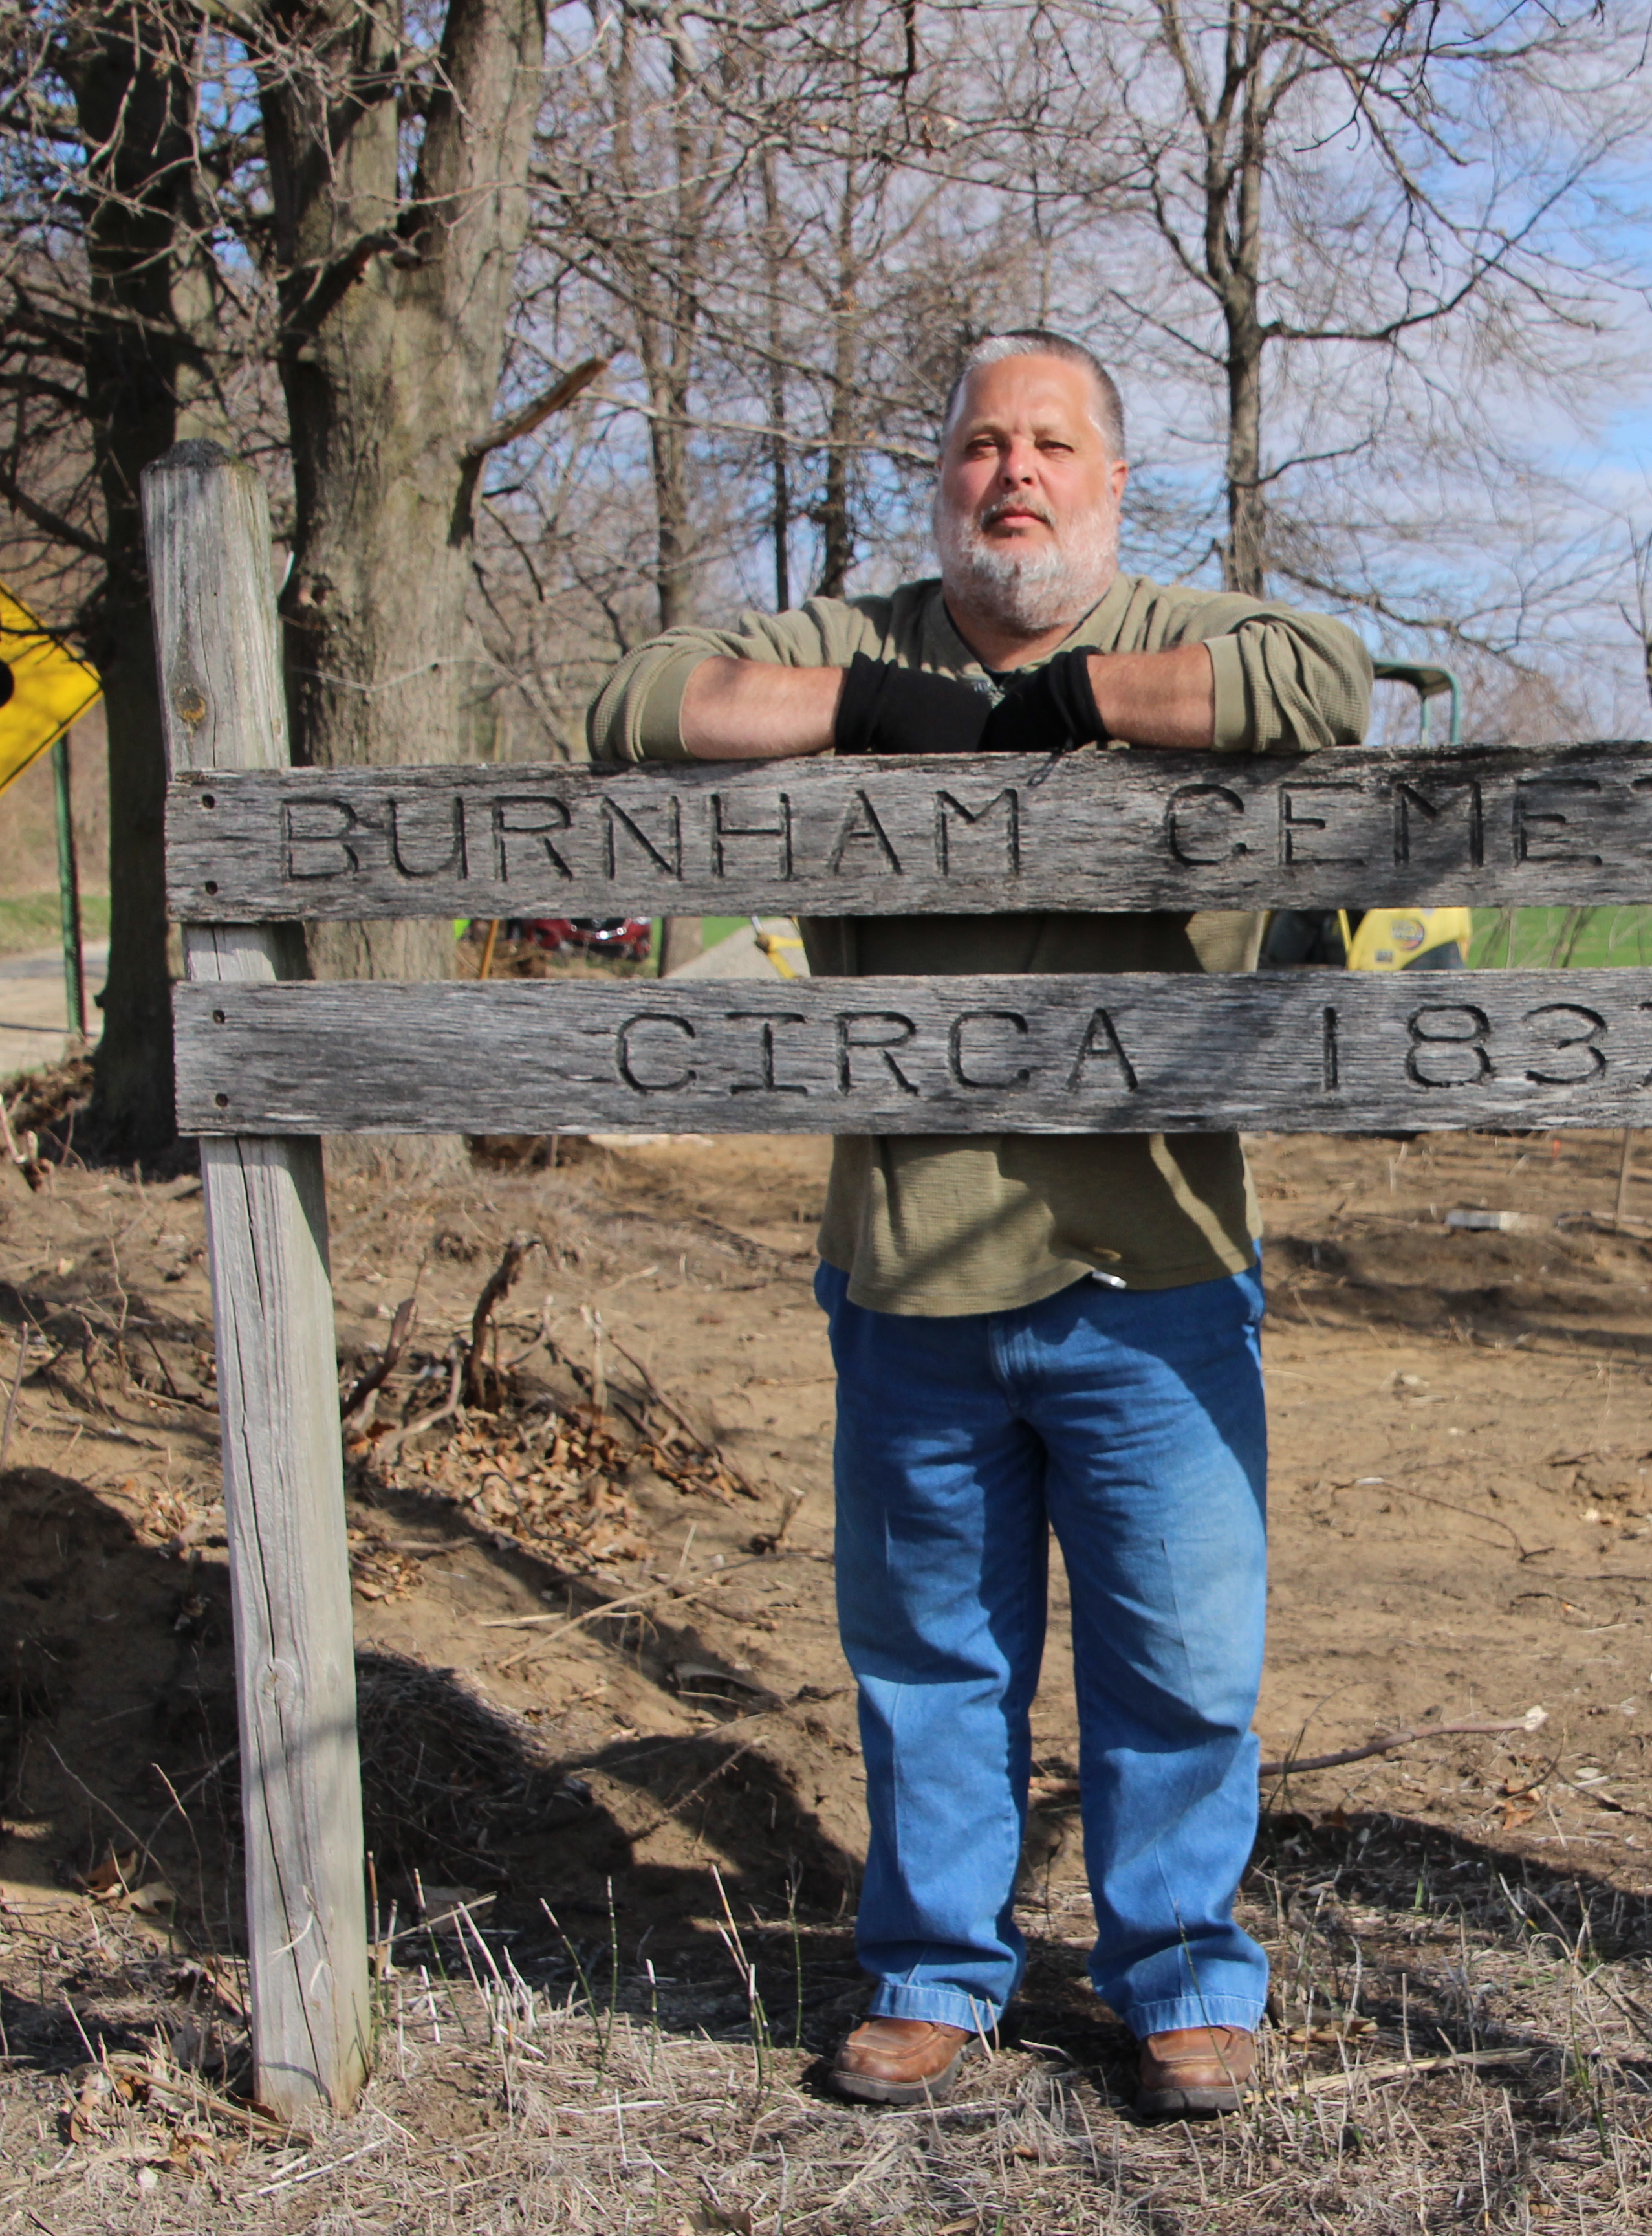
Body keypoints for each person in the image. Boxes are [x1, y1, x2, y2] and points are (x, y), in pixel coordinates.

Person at [586, 331, 1371, 2118]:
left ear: (1111, 479)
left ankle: (1181, 1977)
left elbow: (1322, 687)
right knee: (934, 1662)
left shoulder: (1190, 622)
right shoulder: (848, 639)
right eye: (977, 447)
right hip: (910, 1265)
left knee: (1178, 1659)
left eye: (1052, 444)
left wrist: (1070, 708)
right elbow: (639, 703)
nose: (1011, 473)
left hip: (1157, 1268)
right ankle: (938, 1973)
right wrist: (872, 714)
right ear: (939, 479)